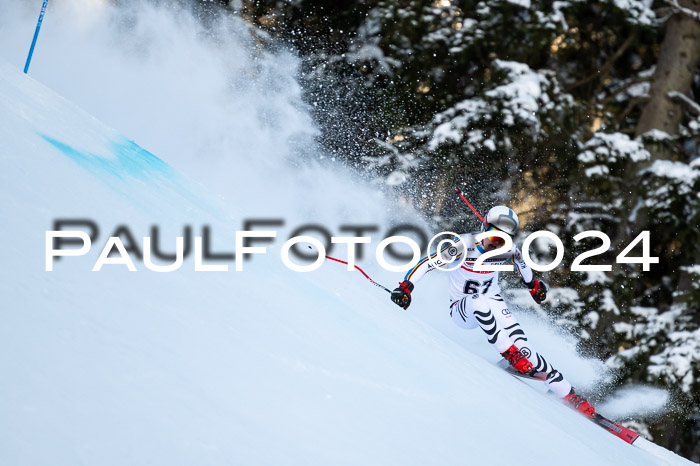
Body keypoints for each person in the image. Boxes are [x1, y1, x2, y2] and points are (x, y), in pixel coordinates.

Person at [389, 205, 597, 418]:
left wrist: (533, 285)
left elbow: (521, 262)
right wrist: (406, 287)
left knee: (525, 348)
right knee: (478, 300)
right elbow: (427, 263)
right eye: (495, 237)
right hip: (463, 309)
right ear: (485, 228)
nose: (498, 245)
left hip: (494, 301)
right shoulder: (463, 245)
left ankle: (568, 394)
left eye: (505, 239)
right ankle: (509, 353)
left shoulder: (508, 249)